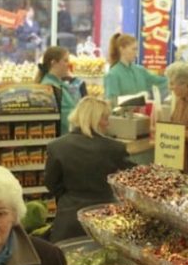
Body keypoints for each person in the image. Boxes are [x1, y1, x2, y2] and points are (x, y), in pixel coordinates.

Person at [44, 97, 132, 242]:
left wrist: (69, 196)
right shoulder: (115, 148)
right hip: (106, 216)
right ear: (95, 119)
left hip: (69, 217)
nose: (108, 124)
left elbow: (51, 184)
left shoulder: (57, 146)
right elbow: (128, 181)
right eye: (105, 118)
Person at [103, 33, 166, 101]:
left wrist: (174, 76)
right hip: (123, 112)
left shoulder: (141, 71)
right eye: (134, 49)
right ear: (122, 49)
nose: (136, 53)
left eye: (136, 49)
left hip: (142, 112)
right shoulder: (112, 75)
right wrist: (137, 99)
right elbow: (112, 101)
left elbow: (159, 82)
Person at [35, 46, 79, 134]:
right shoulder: (49, 87)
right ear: (54, 63)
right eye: (65, 61)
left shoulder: (60, 84)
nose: (68, 64)